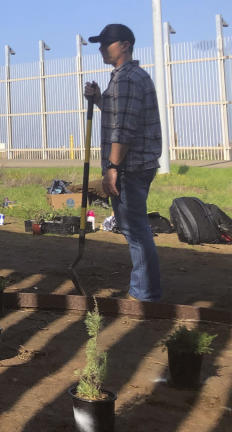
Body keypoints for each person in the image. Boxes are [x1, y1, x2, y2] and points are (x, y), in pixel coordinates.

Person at [84, 23, 162, 302]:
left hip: (131, 167)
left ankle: (145, 294)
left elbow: (124, 129)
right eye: (100, 43)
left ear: (125, 45)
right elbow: (120, 113)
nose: (102, 48)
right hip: (138, 164)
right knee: (134, 227)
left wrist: (113, 169)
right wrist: (98, 99)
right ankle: (145, 290)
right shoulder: (125, 78)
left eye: (107, 43)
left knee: (136, 230)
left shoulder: (128, 78)